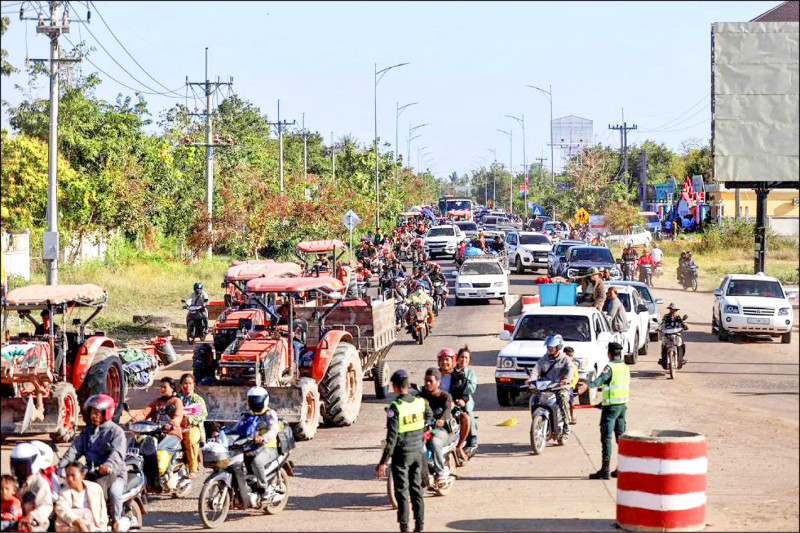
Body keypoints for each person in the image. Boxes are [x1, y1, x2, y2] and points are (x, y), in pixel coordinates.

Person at [58, 394, 126, 532]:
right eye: (91, 412)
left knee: (114, 493)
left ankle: (116, 521)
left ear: (107, 413)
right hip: (91, 472)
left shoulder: (116, 432)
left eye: (97, 412)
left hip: (114, 474)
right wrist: (60, 466)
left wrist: (108, 465)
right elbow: (74, 450)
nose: (93, 416)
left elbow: (117, 453)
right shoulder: (87, 432)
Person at [376, 370, 433, 533]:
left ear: (394, 387)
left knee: (402, 493)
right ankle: (420, 526)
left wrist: (382, 462)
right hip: (418, 452)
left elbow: (391, 438)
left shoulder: (396, 407)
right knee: (417, 491)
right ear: (408, 385)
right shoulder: (420, 402)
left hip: (402, 455)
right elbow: (429, 417)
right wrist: (423, 429)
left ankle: (404, 528)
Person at [576, 342, 630, 480]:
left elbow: (601, 380)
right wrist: (603, 403)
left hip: (611, 408)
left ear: (610, 353)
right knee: (621, 438)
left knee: (606, 438)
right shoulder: (625, 367)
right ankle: (623, 468)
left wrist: (587, 385)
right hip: (622, 407)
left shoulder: (610, 367)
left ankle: (605, 469)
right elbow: (617, 388)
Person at [129, 377, 184, 490]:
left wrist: (171, 424)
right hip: (156, 432)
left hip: (172, 433)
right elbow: (146, 412)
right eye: (161, 387)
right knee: (142, 446)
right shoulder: (157, 401)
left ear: (172, 388)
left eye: (165, 387)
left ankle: (168, 474)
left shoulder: (176, 401)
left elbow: (178, 416)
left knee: (160, 451)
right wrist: (133, 420)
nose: (162, 389)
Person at [228, 387, 281, 493]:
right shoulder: (248, 414)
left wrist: (263, 438)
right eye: (252, 399)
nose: (255, 402)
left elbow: (274, 429)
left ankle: (264, 488)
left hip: (268, 447)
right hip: (251, 446)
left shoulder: (269, 413)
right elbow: (238, 427)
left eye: (257, 399)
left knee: (257, 462)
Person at [526, 334, 573, 438]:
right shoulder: (544, 359)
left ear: (558, 347)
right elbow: (536, 369)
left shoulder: (565, 359)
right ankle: (537, 422)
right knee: (534, 399)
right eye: (548, 347)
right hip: (546, 386)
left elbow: (571, 369)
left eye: (551, 347)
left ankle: (566, 424)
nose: (549, 349)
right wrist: (531, 380)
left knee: (562, 397)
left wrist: (566, 379)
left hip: (560, 386)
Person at [418, 368, 454, 484]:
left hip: (441, 430)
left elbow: (448, 409)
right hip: (424, 428)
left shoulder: (445, 396)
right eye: (426, 381)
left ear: (438, 382)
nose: (427, 383)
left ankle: (440, 473)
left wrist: (442, 419)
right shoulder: (420, 396)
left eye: (430, 381)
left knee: (435, 442)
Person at [10, 442, 53, 532]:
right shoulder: (11, 482)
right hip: (12, 520)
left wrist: (31, 516)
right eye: (17, 464)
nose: (19, 468)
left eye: (23, 465)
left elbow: (46, 506)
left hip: (34, 524)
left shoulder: (39, 483)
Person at [55, 463, 108, 532]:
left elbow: (102, 510)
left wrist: (103, 527)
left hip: (94, 526)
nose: (70, 479)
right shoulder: (65, 492)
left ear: (82, 475)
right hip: (74, 526)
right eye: (67, 476)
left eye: (73, 475)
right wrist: (77, 521)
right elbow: (61, 508)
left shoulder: (95, 488)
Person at [178, 374, 207, 479]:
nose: (187, 386)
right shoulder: (176, 398)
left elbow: (203, 415)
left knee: (190, 439)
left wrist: (190, 419)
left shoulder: (197, 399)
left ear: (194, 385)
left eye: (190, 383)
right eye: (185, 383)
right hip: (177, 427)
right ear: (181, 385)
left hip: (194, 427)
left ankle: (193, 468)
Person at [452, 347, 478, 457]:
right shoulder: (452, 371)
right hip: (452, 397)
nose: (464, 360)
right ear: (457, 358)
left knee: (467, 410)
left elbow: (472, 388)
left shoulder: (470, 373)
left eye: (466, 358)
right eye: (462, 357)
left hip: (465, 399)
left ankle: (472, 438)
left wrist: (463, 386)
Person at [659, 303, 689, 368]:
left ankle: (681, 358)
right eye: (671, 309)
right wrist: (659, 328)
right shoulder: (666, 316)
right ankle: (663, 359)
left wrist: (685, 326)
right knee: (663, 345)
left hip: (677, 334)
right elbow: (662, 323)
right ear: (669, 309)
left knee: (682, 345)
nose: (672, 311)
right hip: (667, 334)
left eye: (674, 309)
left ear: (676, 310)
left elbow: (682, 323)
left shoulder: (678, 316)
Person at [564, 346, 580, 425]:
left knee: (571, 401)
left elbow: (576, 376)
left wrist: (572, 383)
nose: (570, 358)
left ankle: (572, 415)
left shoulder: (573, 365)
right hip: (559, 384)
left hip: (569, 386)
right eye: (568, 356)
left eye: (571, 356)